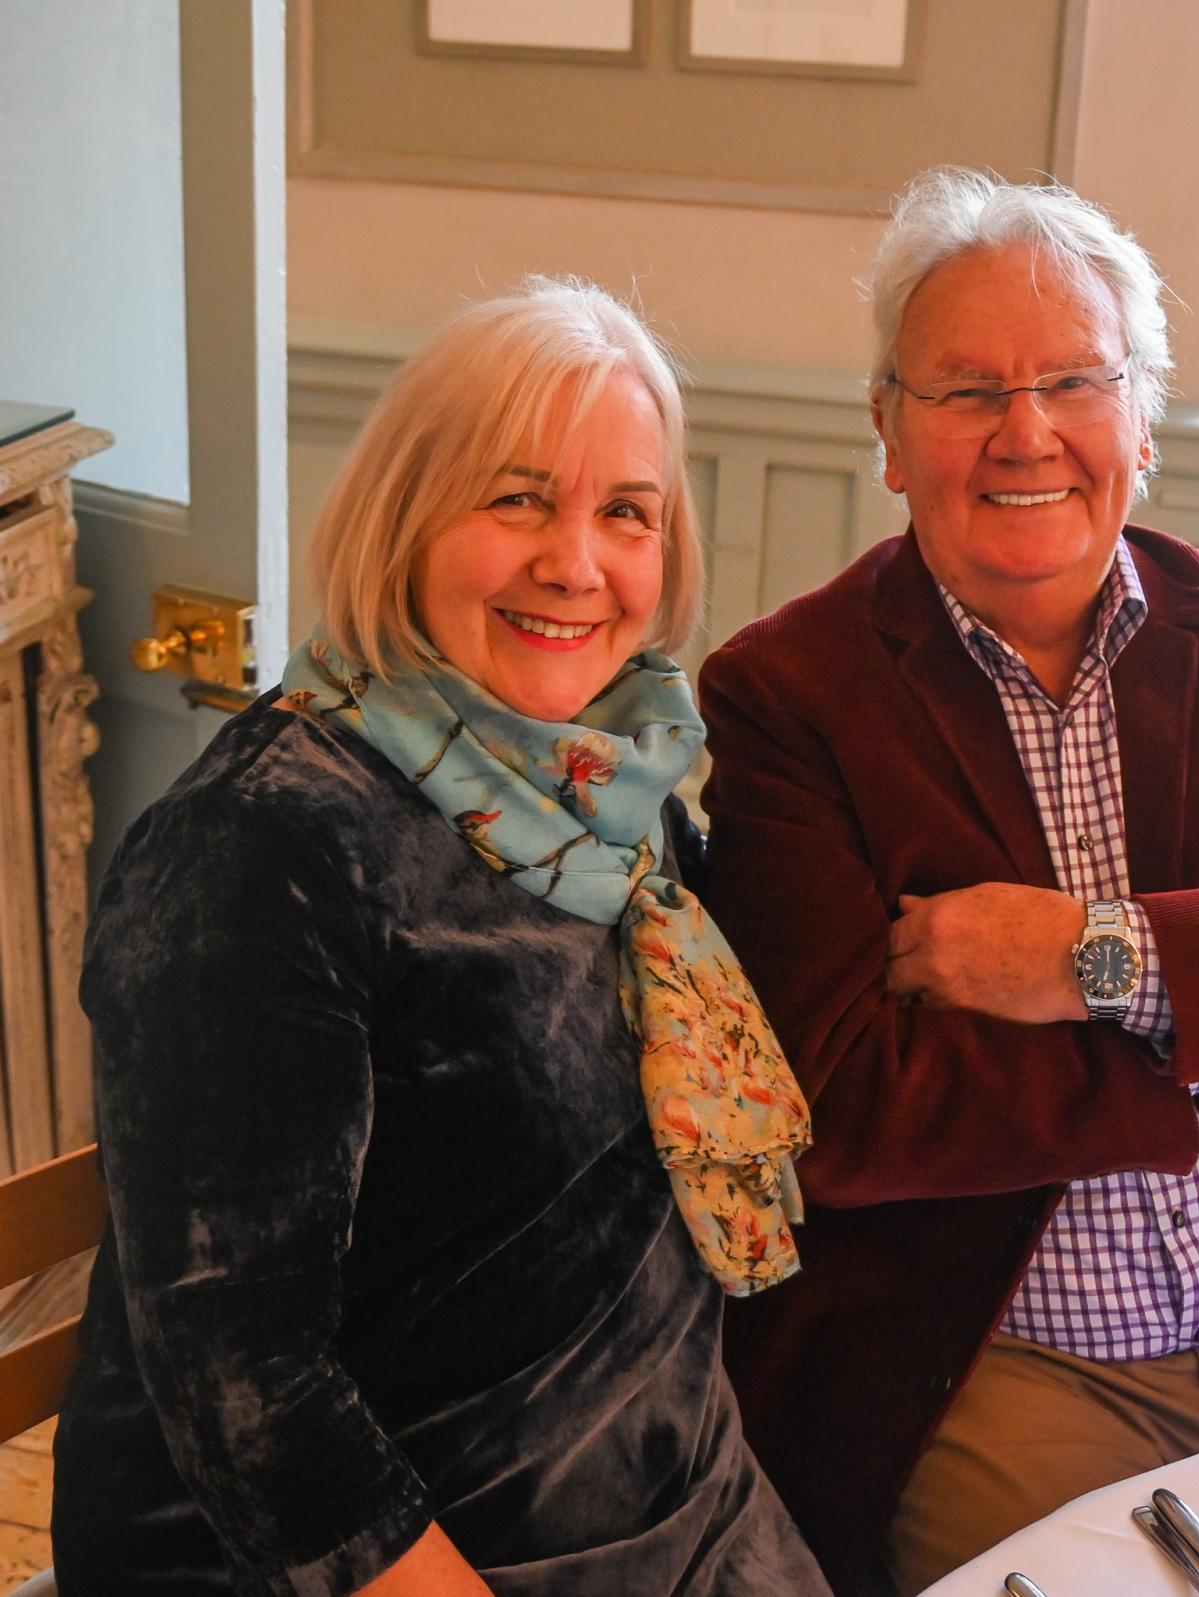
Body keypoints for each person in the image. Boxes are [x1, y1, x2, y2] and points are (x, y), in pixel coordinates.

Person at [698, 168, 1199, 1596]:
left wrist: (1099, 959)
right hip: (1006, 1370)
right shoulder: (791, 695)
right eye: (966, 390)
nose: (1026, 432)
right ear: (888, 430)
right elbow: (838, 1106)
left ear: (1141, 415)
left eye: (1075, 379)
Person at [52, 276, 833, 1597]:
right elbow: (247, 1388)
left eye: (626, 512)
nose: (576, 564)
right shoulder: (263, 843)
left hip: (672, 1511)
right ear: (403, 517)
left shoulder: (613, 790)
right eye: (517, 499)